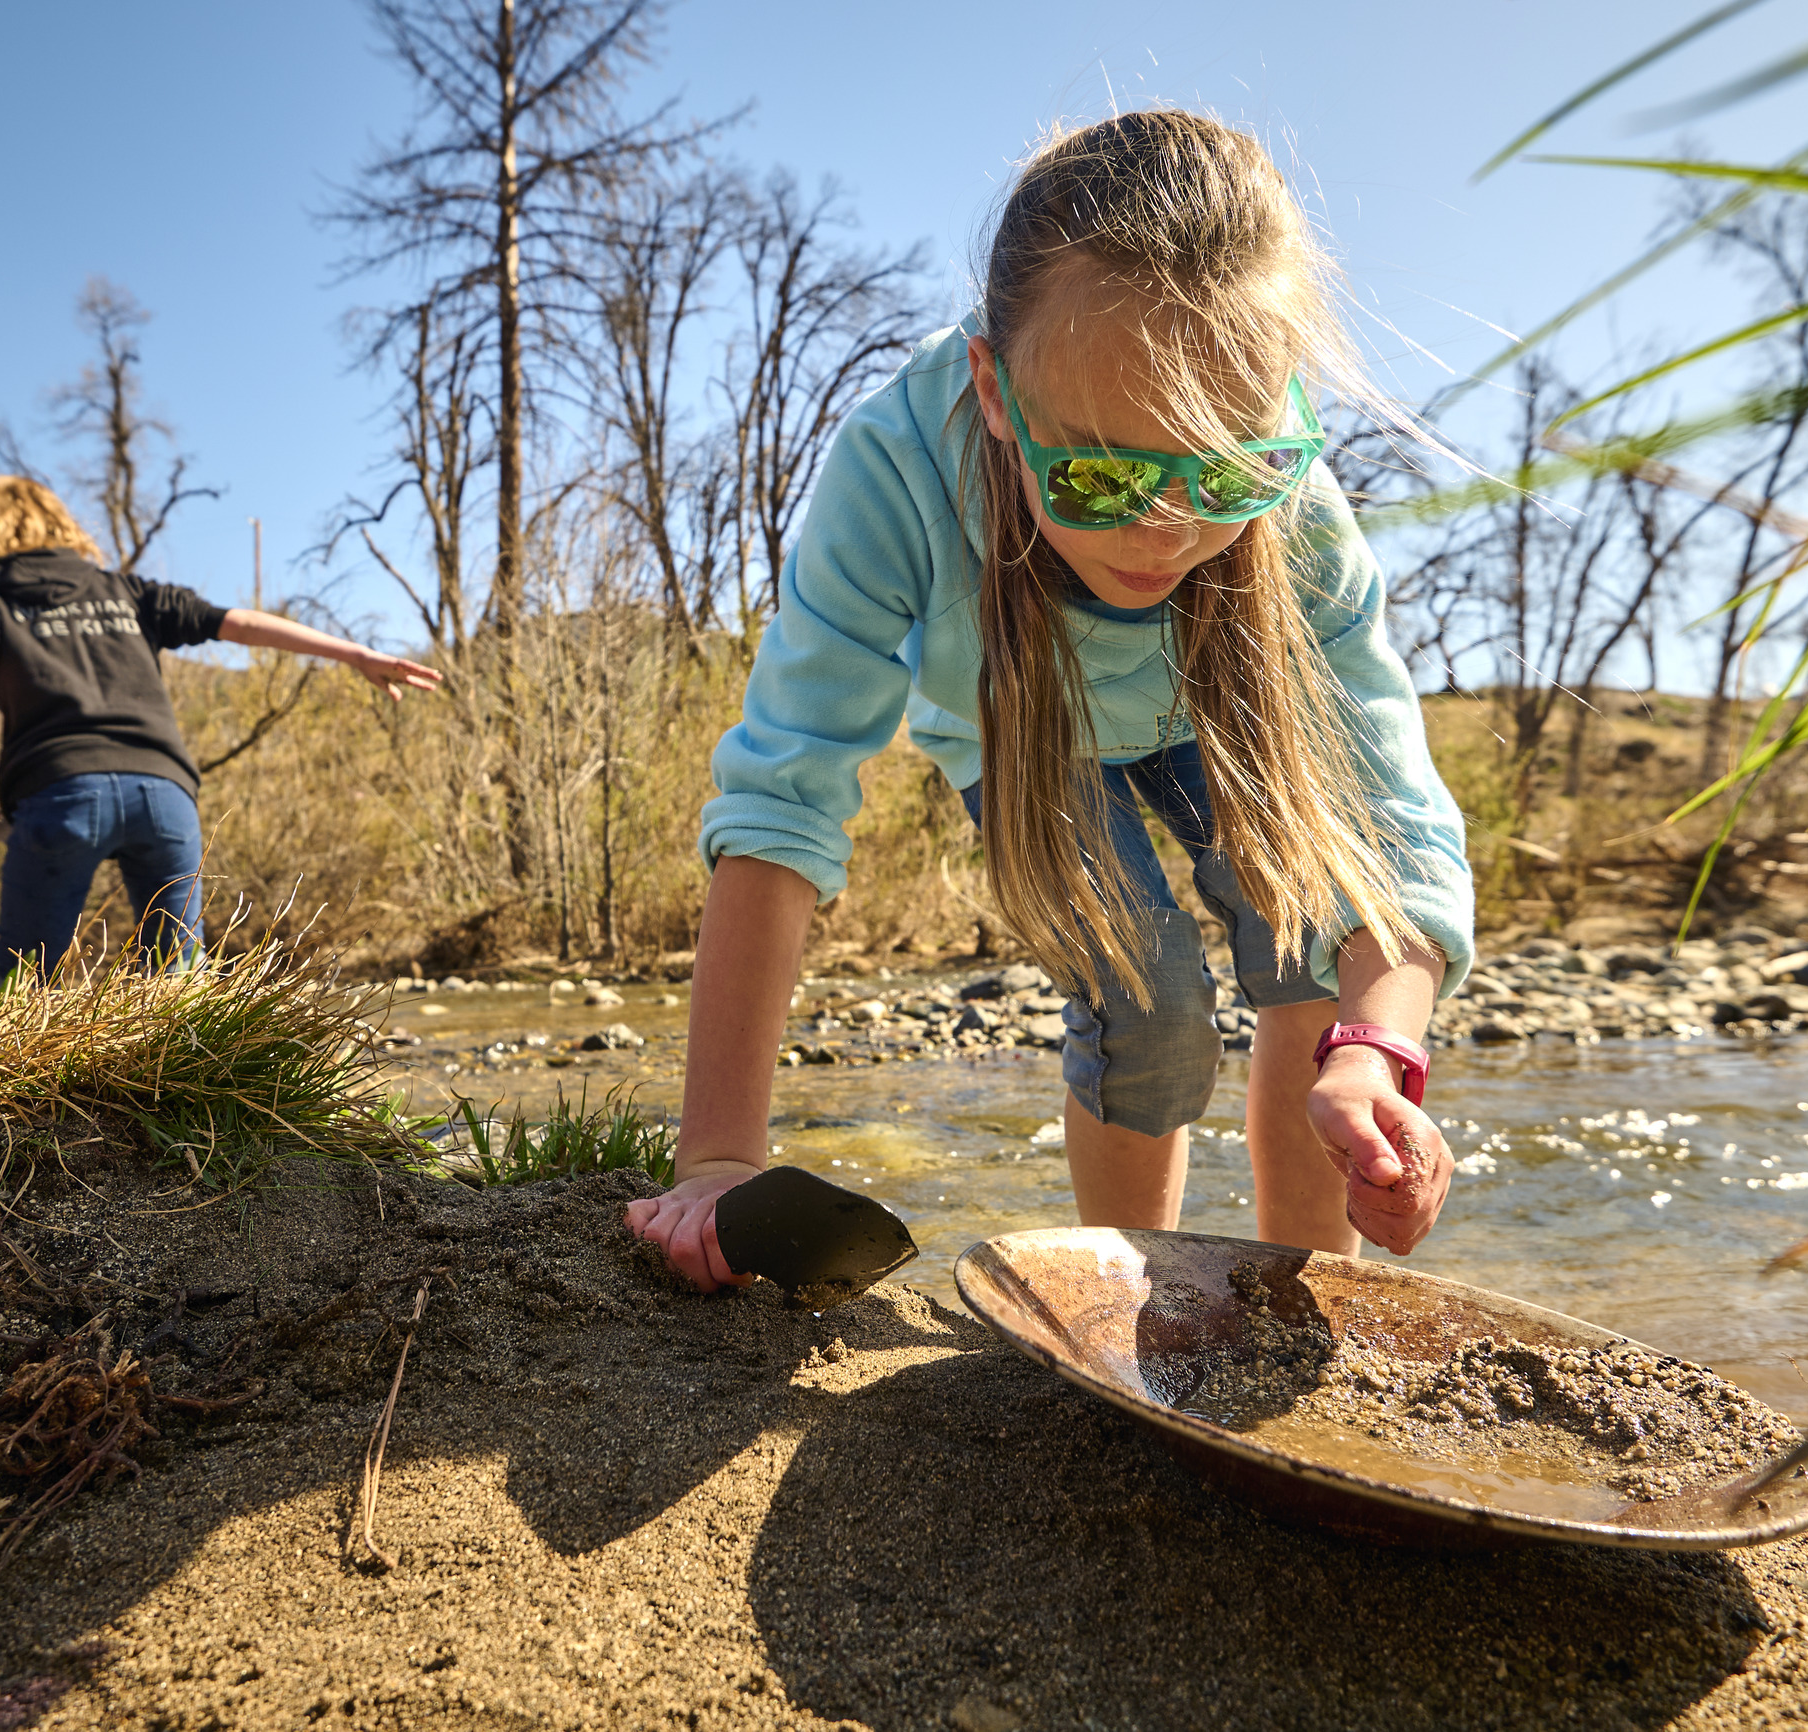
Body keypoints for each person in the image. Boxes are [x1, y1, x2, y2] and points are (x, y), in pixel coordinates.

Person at [627, 110, 1473, 1288]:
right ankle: (1136, 1300)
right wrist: (717, 1155)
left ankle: (1303, 1298)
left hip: (1211, 719)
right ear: (991, 388)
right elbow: (783, 797)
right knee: (1152, 1006)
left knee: (1303, 959)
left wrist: (1376, 1050)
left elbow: (1392, 822)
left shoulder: (1300, 515)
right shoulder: (894, 476)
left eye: (1230, 469)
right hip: (1022, 734)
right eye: (1102, 473)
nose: (1166, 529)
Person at [0, 475, 442, 985]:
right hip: (163, 794)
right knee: (177, 978)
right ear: (61, 526)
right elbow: (237, 622)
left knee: (27, 978)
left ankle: (23, 1065)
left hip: (61, 790)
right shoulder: (122, 589)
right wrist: (354, 653)